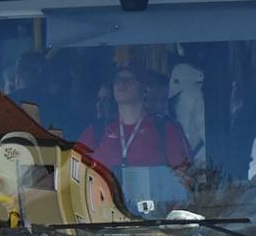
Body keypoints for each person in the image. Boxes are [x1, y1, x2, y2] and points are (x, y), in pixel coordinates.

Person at [77, 64, 194, 214]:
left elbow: (185, 178)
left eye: (128, 79)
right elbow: (73, 175)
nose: (121, 84)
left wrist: (173, 218)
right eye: (118, 80)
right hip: (101, 223)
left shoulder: (164, 129)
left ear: (144, 89)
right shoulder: (96, 131)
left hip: (157, 221)